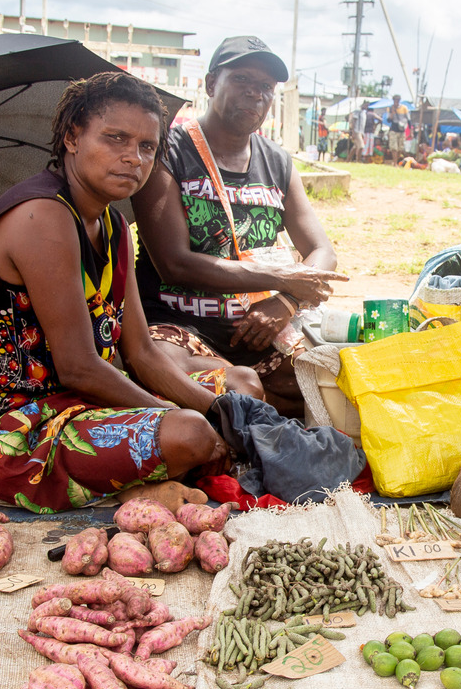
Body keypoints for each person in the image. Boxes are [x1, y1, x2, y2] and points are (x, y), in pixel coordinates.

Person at [0, 72, 230, 513]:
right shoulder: (42, 216)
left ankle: (142, 479)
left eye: (147, 147)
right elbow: (78, 367)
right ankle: (139, 484)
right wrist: (175, 416)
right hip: (6, 434)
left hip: (81, 405)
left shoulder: (113, 227)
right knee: (189, 434)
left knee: (237, 387)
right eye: (116, 139)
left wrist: (226, 415)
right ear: (73, 137)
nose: (134, 158)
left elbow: (143, 354)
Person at [133, 36, 347, 417]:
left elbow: (322, 251)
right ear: (211, 83)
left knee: (335, 387)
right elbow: (174, 263)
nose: (255, 94)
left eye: (265, 87)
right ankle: (247, 408)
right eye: (243, 80)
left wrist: (286, 301)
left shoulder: (277, 162)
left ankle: (254, 409)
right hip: (178, 327)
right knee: (211, 385)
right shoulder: (168, 150)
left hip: (258, 329)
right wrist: (281, 277)